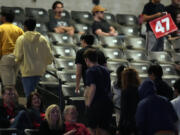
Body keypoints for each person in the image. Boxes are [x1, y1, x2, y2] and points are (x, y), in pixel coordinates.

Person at [14, 19, 53, 97]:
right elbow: (49, 56)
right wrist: (47, 63)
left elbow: (18, 57)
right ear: (35, 26)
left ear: (24, 27)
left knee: (29, 95)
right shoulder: (42, 39)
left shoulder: (21, 39)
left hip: (27, 72)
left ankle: (31, 109)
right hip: (39, 71)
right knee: (37, 96)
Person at [83, 49, 113, 135]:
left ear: (87, 59)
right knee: (104, 129)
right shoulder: (106, 70)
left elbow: (92, 87)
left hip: (95, 104)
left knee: (91, 128)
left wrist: (88, 104)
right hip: (107, 103)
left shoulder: (90, 71)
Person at [0, 11, 24, 88]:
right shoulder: (19, 29)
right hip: (17, 58)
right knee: (13, 83)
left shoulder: (1, 28)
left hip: (6, 56)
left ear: (4, 18)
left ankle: (9, 99)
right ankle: (12, 99)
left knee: (7, 85)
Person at [118, 68, 140, 135]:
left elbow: (124, 111)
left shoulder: (125, 91)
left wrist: (119, 128)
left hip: (128, 124)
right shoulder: (140, 90)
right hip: (138, 122)